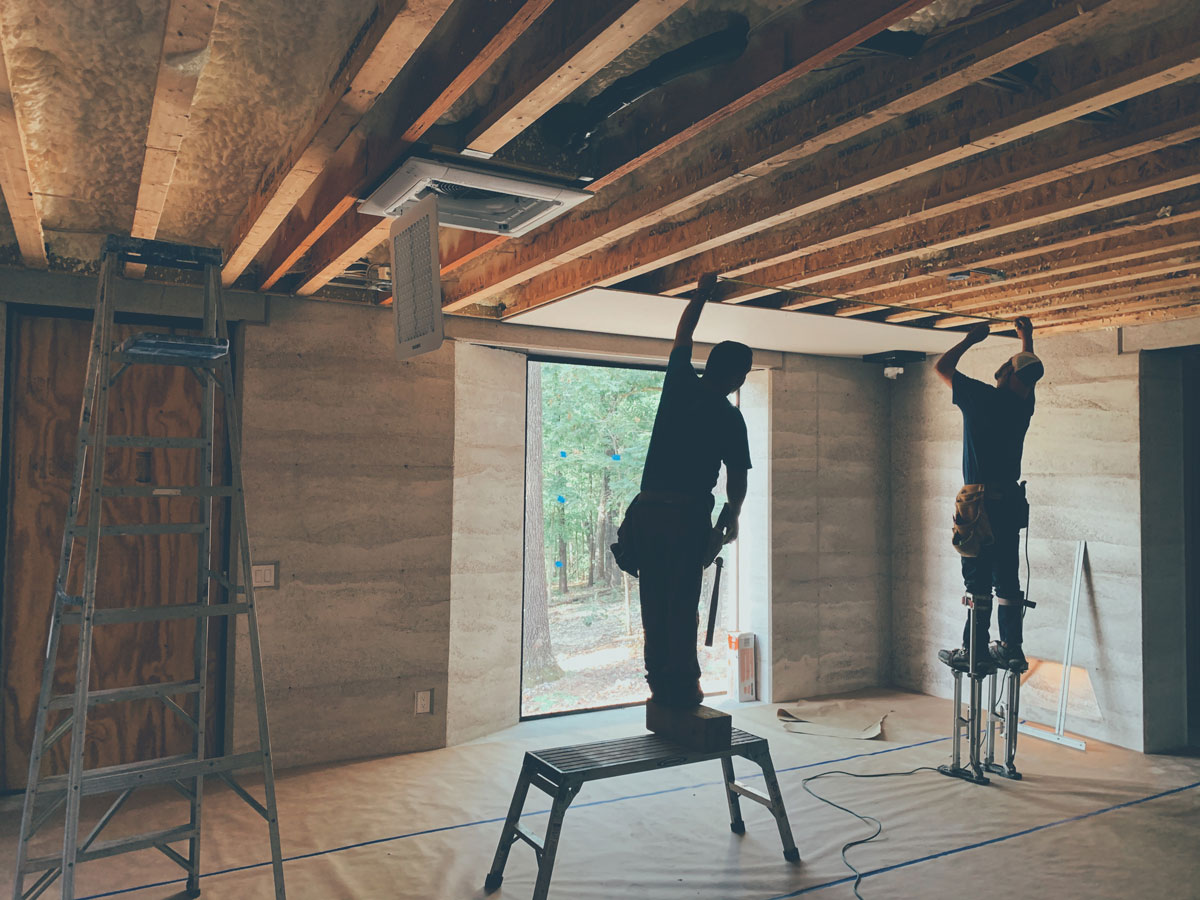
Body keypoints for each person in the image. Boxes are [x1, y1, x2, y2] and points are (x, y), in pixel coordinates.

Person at [611, 272, 753, 707]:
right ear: (739, 379)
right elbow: (737, 479)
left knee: (655, 602)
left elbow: (683, 333)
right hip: (687, 518)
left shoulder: (678, 385)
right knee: (682, 602)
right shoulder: (730, 418)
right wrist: (731, 518)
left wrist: (701, 293)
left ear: (708, 367)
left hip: (649, 516)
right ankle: (684, 690)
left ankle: (661, 688)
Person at [934, 315, 1042, 674]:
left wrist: (970, 339)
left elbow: (942, 366)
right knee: (1007, 579)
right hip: (1010, 502)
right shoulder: (1022, 406)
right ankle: (1011, 648)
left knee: (977, 581)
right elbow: (1026, 374)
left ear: (1006, 376)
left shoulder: (980, 397)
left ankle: (976, 651)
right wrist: (1026, 340)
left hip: (977, 504)